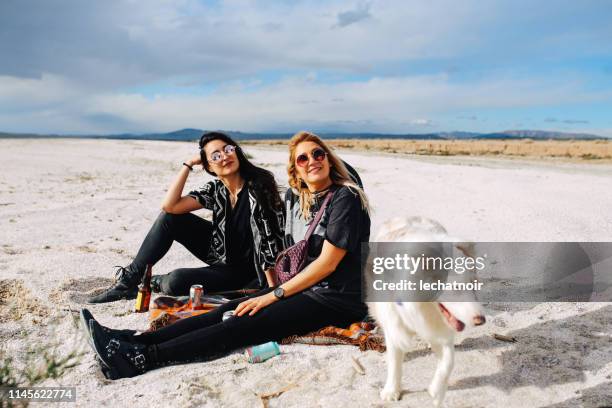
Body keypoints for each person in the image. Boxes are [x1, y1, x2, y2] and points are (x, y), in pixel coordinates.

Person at [81, 130, 371, 379]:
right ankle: (134, 340)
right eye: (303, 159)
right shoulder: (304, 201)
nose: (312, 162)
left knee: (242, 323)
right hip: (307, 290)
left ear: (329, 159)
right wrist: (272, 291)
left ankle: (143, 358)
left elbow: (328, 264)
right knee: (226, 311)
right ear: (296, 171)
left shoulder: (345, 197)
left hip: (336, 299)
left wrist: (272, 294)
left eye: (318, 154)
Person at [88, 132, 285, 303]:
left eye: (227, 149)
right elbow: (170, 206)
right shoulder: (216, 189)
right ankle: (129, 281)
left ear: (237, 151)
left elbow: (268, 240)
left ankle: (156, 280)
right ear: (209, 167)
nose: (224, 156)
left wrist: (272, 290)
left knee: (176, 281)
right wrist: (188, 165)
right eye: (216, 155)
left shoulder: (259, 185)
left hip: (247, 271)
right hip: (221, 254)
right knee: (170, 218)